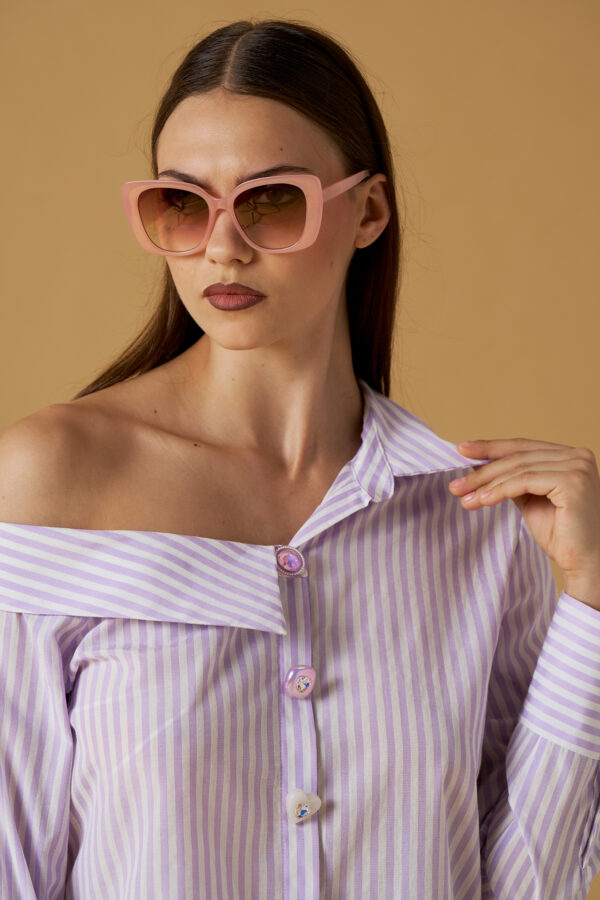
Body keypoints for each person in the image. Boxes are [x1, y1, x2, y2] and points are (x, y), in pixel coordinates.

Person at [0, 17, 599, 900]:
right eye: (182, 203)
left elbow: (524, 884)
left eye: (271, 201)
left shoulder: (474, 521)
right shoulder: (52, 481)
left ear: (369, 211)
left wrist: (590, 603)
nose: (222, 245)